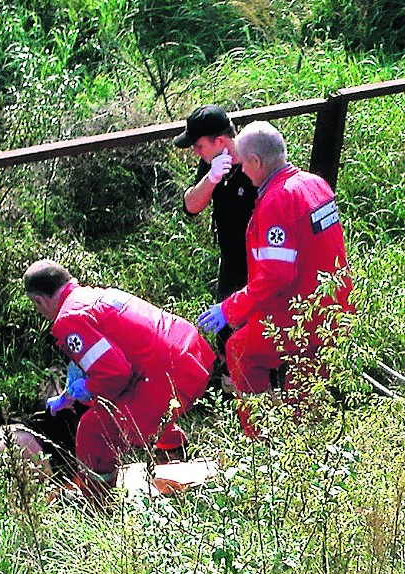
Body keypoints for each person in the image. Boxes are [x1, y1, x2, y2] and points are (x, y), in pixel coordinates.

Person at [197, 121, 353, 437]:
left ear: (256, 162)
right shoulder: (314, 184)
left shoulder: (277, 201)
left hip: (303, 314)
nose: (241, 171)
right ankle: (301, 445)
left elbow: (276, 275)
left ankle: (260, 440)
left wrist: (229, 309)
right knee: (304, 393)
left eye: (242, 164)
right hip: (333, 308)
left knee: (241, 349)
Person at [23, 259, 216, 494]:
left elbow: (114, 375)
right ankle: (173, 452)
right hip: (192, 354)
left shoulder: (69, 319)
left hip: (167, 376)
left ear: (39, 300)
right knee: (120, 405)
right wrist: (77, 391)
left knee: (93, 429)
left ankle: (98, 504)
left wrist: (86, 389)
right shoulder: (94, 295)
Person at [174, 104, 258, 391]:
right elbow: (191, 205)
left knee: (257, 331)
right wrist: (210, 179)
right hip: (231, 259)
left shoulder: (255, 160)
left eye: (199, 146)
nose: (196, 152)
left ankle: (262, 392)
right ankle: (232, 393)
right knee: (226, 332)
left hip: (260, 262)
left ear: (220, 141)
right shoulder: (213, 162)